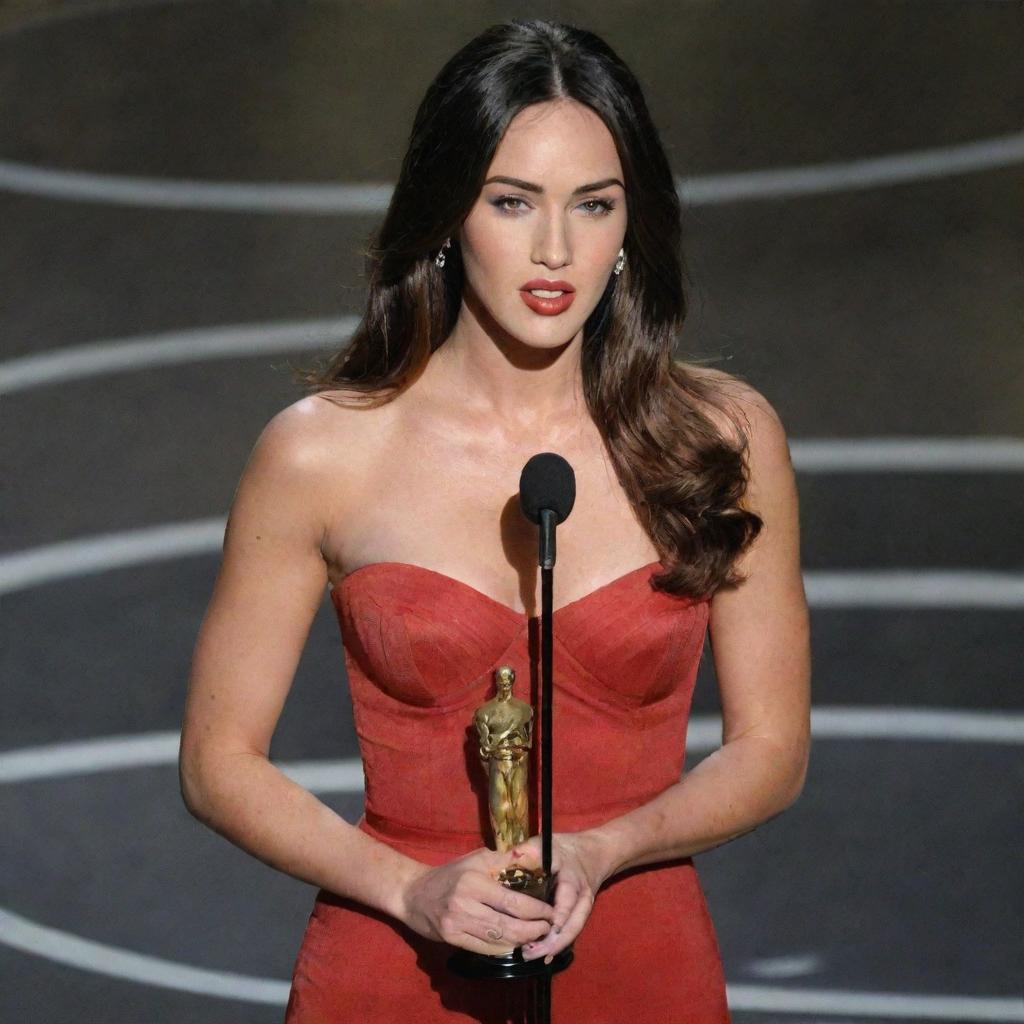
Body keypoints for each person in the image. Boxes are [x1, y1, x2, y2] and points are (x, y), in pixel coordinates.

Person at [178, 17, 811, 1024]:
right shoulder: (320, 453)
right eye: (511, 201)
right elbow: (217, 764)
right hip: (392, 967)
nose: (555, 248)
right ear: (444, 215)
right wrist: (407, 886)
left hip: (639, 965)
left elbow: (771, 748)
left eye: (593, 205)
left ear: (630, 226)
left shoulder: (720, 439)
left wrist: (608, 848)